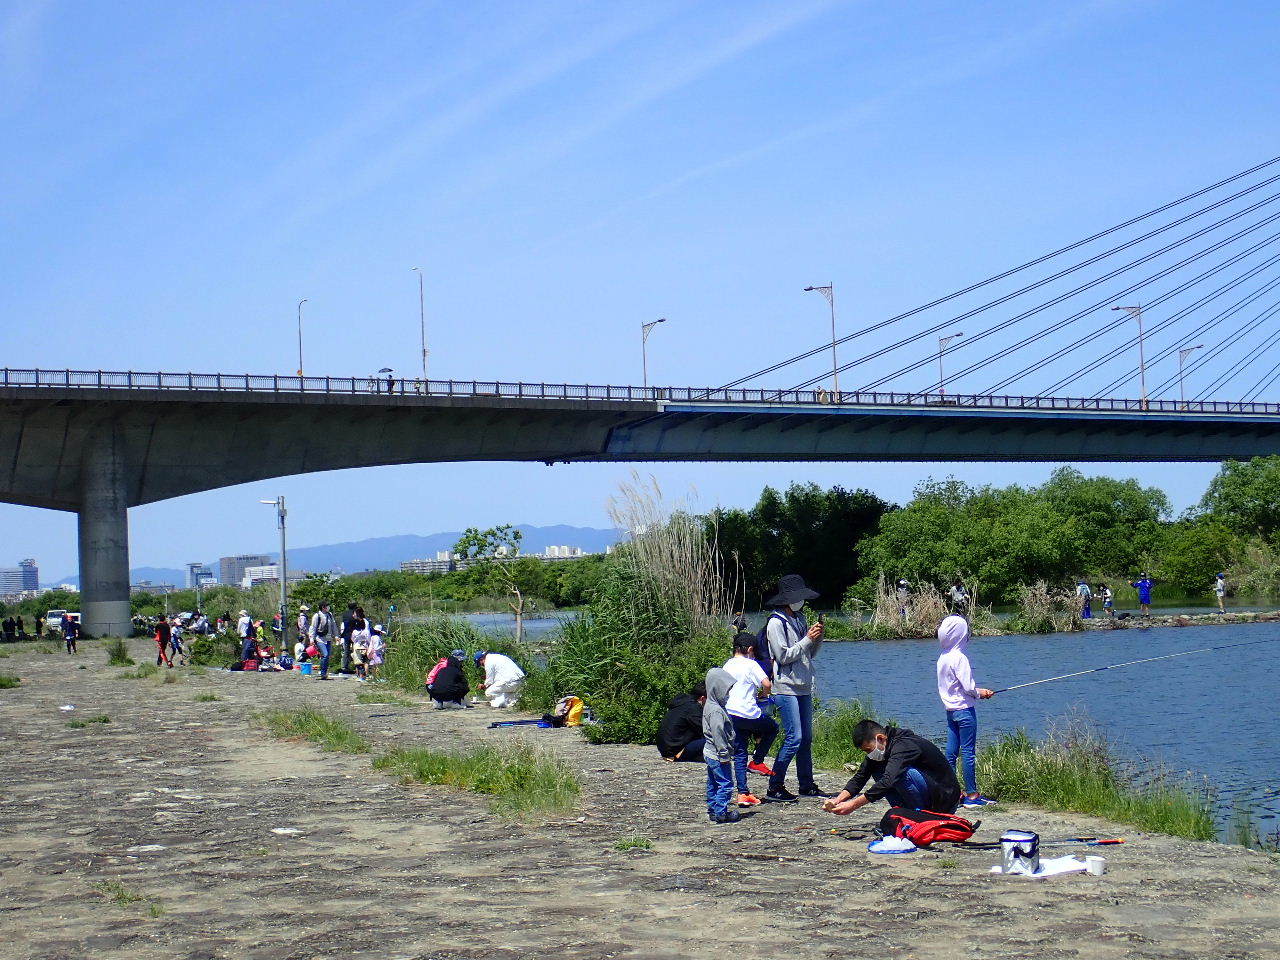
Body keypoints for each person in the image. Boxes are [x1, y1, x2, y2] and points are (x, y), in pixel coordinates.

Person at [763, 574, 828, 802]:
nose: (801, 602)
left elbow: (810, 653)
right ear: (787, 599)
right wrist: (807, 639)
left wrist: (817, 637)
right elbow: (783, 656)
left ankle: (806, 784)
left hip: (803, 686)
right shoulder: (775, 622)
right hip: (785, 687)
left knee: (806, 738)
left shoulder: (799, 618)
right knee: (794, 737)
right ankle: (775, 785)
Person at [823, 719, 962, 816]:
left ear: (881, 738)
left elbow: (888, 781)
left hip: (945, 799)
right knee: (879, 770)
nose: (869, 754)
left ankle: (920, 814)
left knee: (898, 774)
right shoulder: (880, 750)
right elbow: (860, 777)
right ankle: (906, 812)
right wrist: (837, 800)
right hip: (927, 790)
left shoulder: (903, 746)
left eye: (868, 750)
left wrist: (853, 805)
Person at [936, 615, 996, 808]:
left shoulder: (942, 658)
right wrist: (982, 693)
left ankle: (952, 794)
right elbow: (969, 688)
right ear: (959, 635)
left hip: (950, 712)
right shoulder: (959, 658)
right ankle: (972, 795)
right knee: (968, 752)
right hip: (965, 712)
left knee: (951, 754)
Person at [722, 631, 777, 807]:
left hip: (730, 713)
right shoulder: (750, 664)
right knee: (772, 728)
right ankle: (758, 760)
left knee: (739, 753)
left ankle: (743, 793)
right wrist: (763, 695)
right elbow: (767, 683)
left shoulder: (727, 665)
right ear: (751, 649)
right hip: (747, 712)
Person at [702, 667, 740, 824]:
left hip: (709, 752)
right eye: (726, 691)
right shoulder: (716, 711)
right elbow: (718, 734)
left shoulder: (709, 705)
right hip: (718, 754)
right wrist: (724, 754)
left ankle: (712, 809)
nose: (728, 694)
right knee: (725, 784)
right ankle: (721, 813)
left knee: (712, 782)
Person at [657, 682, 706, 762]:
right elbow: (704, 730)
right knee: (714, 738)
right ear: (702, 698)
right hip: (676, 751)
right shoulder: (693, 708)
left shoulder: (683, 703)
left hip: (667, 749)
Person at [309, 602, 338, 679]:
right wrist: (311, 639)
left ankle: (324, 673)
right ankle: (322, 673)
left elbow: (333, 626)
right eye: (327, 606)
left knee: (327, 656)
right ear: (323, 607)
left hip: (328, 639)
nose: (328, 607)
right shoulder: (317, 616)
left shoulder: (330, 615)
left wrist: (336, 636)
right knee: (325, 655)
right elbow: (313, 627)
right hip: (320, 639)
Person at [340, 602, 358, 674]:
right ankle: (357, 666)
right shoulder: (355, 613)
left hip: (346, 634)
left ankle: (345, 666)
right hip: (354, 634)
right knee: (356, 650)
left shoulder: (345, 614)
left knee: (346, 651)